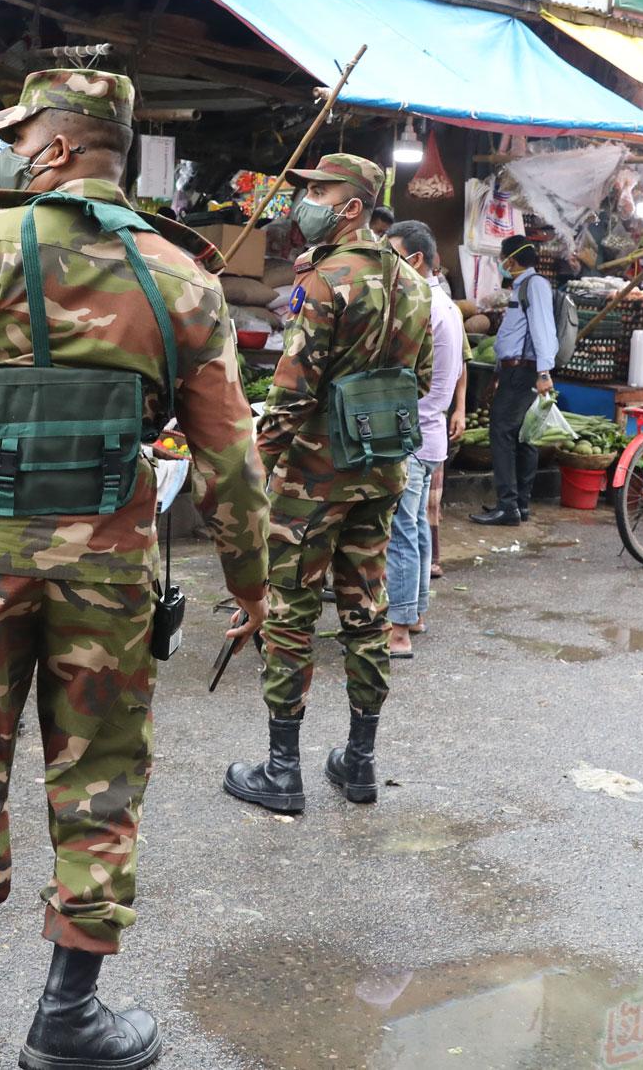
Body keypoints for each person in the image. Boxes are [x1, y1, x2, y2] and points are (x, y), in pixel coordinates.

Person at [0, 69, 269, 1070]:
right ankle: (69, 1015)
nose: (8, 151)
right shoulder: (182, 276)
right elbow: (230, 459)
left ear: (60, 148)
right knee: (101, 780)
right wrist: (252, 584)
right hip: (110, 578)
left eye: (19, 135)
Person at [225, 153, 433, 818]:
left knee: (289, 611)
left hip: (313, 482)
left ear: (352, 206)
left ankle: (282, 770)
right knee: (366, 612)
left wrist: (250, 477)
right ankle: (360, 762)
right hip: (381, 474)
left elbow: (289, 398)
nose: (305, 199)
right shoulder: (415, 285)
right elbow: (419, 380)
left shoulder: (324, 283)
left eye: (318, 190)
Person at [382, 220, 464, 659]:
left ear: (414, 260)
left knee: (400, 533)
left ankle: (398, 631)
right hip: (430, 435)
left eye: (391, 256)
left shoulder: (420, 305)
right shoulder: (446, 304)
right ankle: (414, 613)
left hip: (413, 435)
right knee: (413, 527)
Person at [472, 236, 556, 526]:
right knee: (523, 435)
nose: (501, 264)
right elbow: (514, 335)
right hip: (514, 370)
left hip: (525, 372)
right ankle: (519, 504)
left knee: (504, 433)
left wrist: (544, 373)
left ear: (513, 260)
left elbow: (543, 329)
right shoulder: (520, 287)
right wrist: (497, 373)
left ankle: (509, 505)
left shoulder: (536, 286)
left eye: (503, 258)